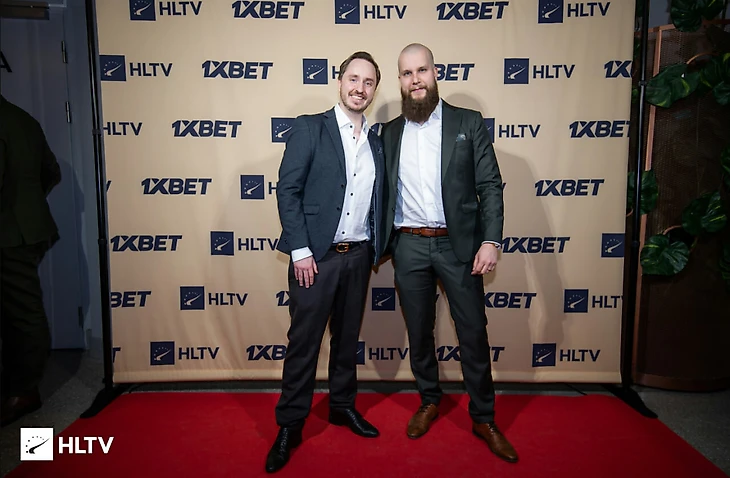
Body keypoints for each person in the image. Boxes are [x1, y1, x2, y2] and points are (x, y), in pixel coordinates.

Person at [379, 43, 518, 463]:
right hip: (409, 246)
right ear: (399, 80)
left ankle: (484, 417)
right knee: (419, 331)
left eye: (422, 70)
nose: (415, 80)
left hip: (458, 246)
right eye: (407, 73)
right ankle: (428, 400)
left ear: (435, 73)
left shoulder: (467, 122)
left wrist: (490, 241)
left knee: (472, 332)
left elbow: (489, 185)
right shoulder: (389, 132)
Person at [266, 51, 386, 473]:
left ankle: (341, 406)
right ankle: (290, 424)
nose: (360, 88)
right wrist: (300, 250)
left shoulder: (376, 140)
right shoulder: (310, 127)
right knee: (304, 344)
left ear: (375, 89)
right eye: (353, 78)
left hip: (359, 255)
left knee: (347, 339)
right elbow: (288, 190)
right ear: (339, 81)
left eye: (368, 82)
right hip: (315, 258)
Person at [0, 95, 61, 427]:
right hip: (25, 229)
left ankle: (23, 391)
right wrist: (29, 204)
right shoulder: (23, 118)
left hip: (12, 234)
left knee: (22, 313)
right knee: (16, 311)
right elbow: (51, 172)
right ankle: (16, 385)